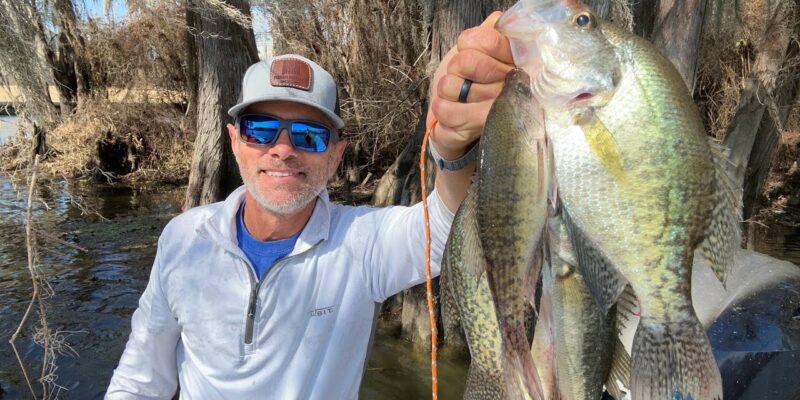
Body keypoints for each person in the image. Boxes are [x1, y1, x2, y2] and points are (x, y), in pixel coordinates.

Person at [105, 12, 515, 399]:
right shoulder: (182, 238)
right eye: (260, 130)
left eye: (309, 135)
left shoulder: (360, 244)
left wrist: (452, 147)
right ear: (233, 141)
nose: (282, 149)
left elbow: (445, 228)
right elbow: (141, 379)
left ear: (337, 155)